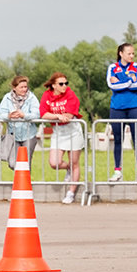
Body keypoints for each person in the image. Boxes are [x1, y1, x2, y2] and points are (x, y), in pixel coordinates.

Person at [39, 72, 84, 204]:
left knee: (74, 162)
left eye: (66, 83)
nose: (64, 86)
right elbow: (43, 114)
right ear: (53, 85)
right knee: (54, 162)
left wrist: (56, 115)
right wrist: (58, 116)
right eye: (61, 84)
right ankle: (68, 169)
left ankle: (71, 192)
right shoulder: (47, 95)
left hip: (73, 130)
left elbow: (69, 116)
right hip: (58, 131)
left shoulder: (70, 94)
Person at [107, 43, 137, 182]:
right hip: (117, 108)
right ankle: (117, 170)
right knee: (118, 140)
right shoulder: (112, 67)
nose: (131, 56)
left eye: (133, 53)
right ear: (120, 53)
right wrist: (130, 80)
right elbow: (112, 86)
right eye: (129, 53)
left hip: (135, 107)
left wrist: (122, 81)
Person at [0, 75, 41, 169]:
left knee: (25, 163)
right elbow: (0, 114)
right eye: (21, 87)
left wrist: (24, 115)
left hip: (29, 135)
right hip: (13, 136)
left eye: (26, 87)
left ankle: (25, 184)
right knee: (13, 163)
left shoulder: (32, 98)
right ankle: (20, 182)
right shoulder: (7, 98)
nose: (24, 89)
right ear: (14, 88)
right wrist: (8, 116)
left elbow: (37, 114)